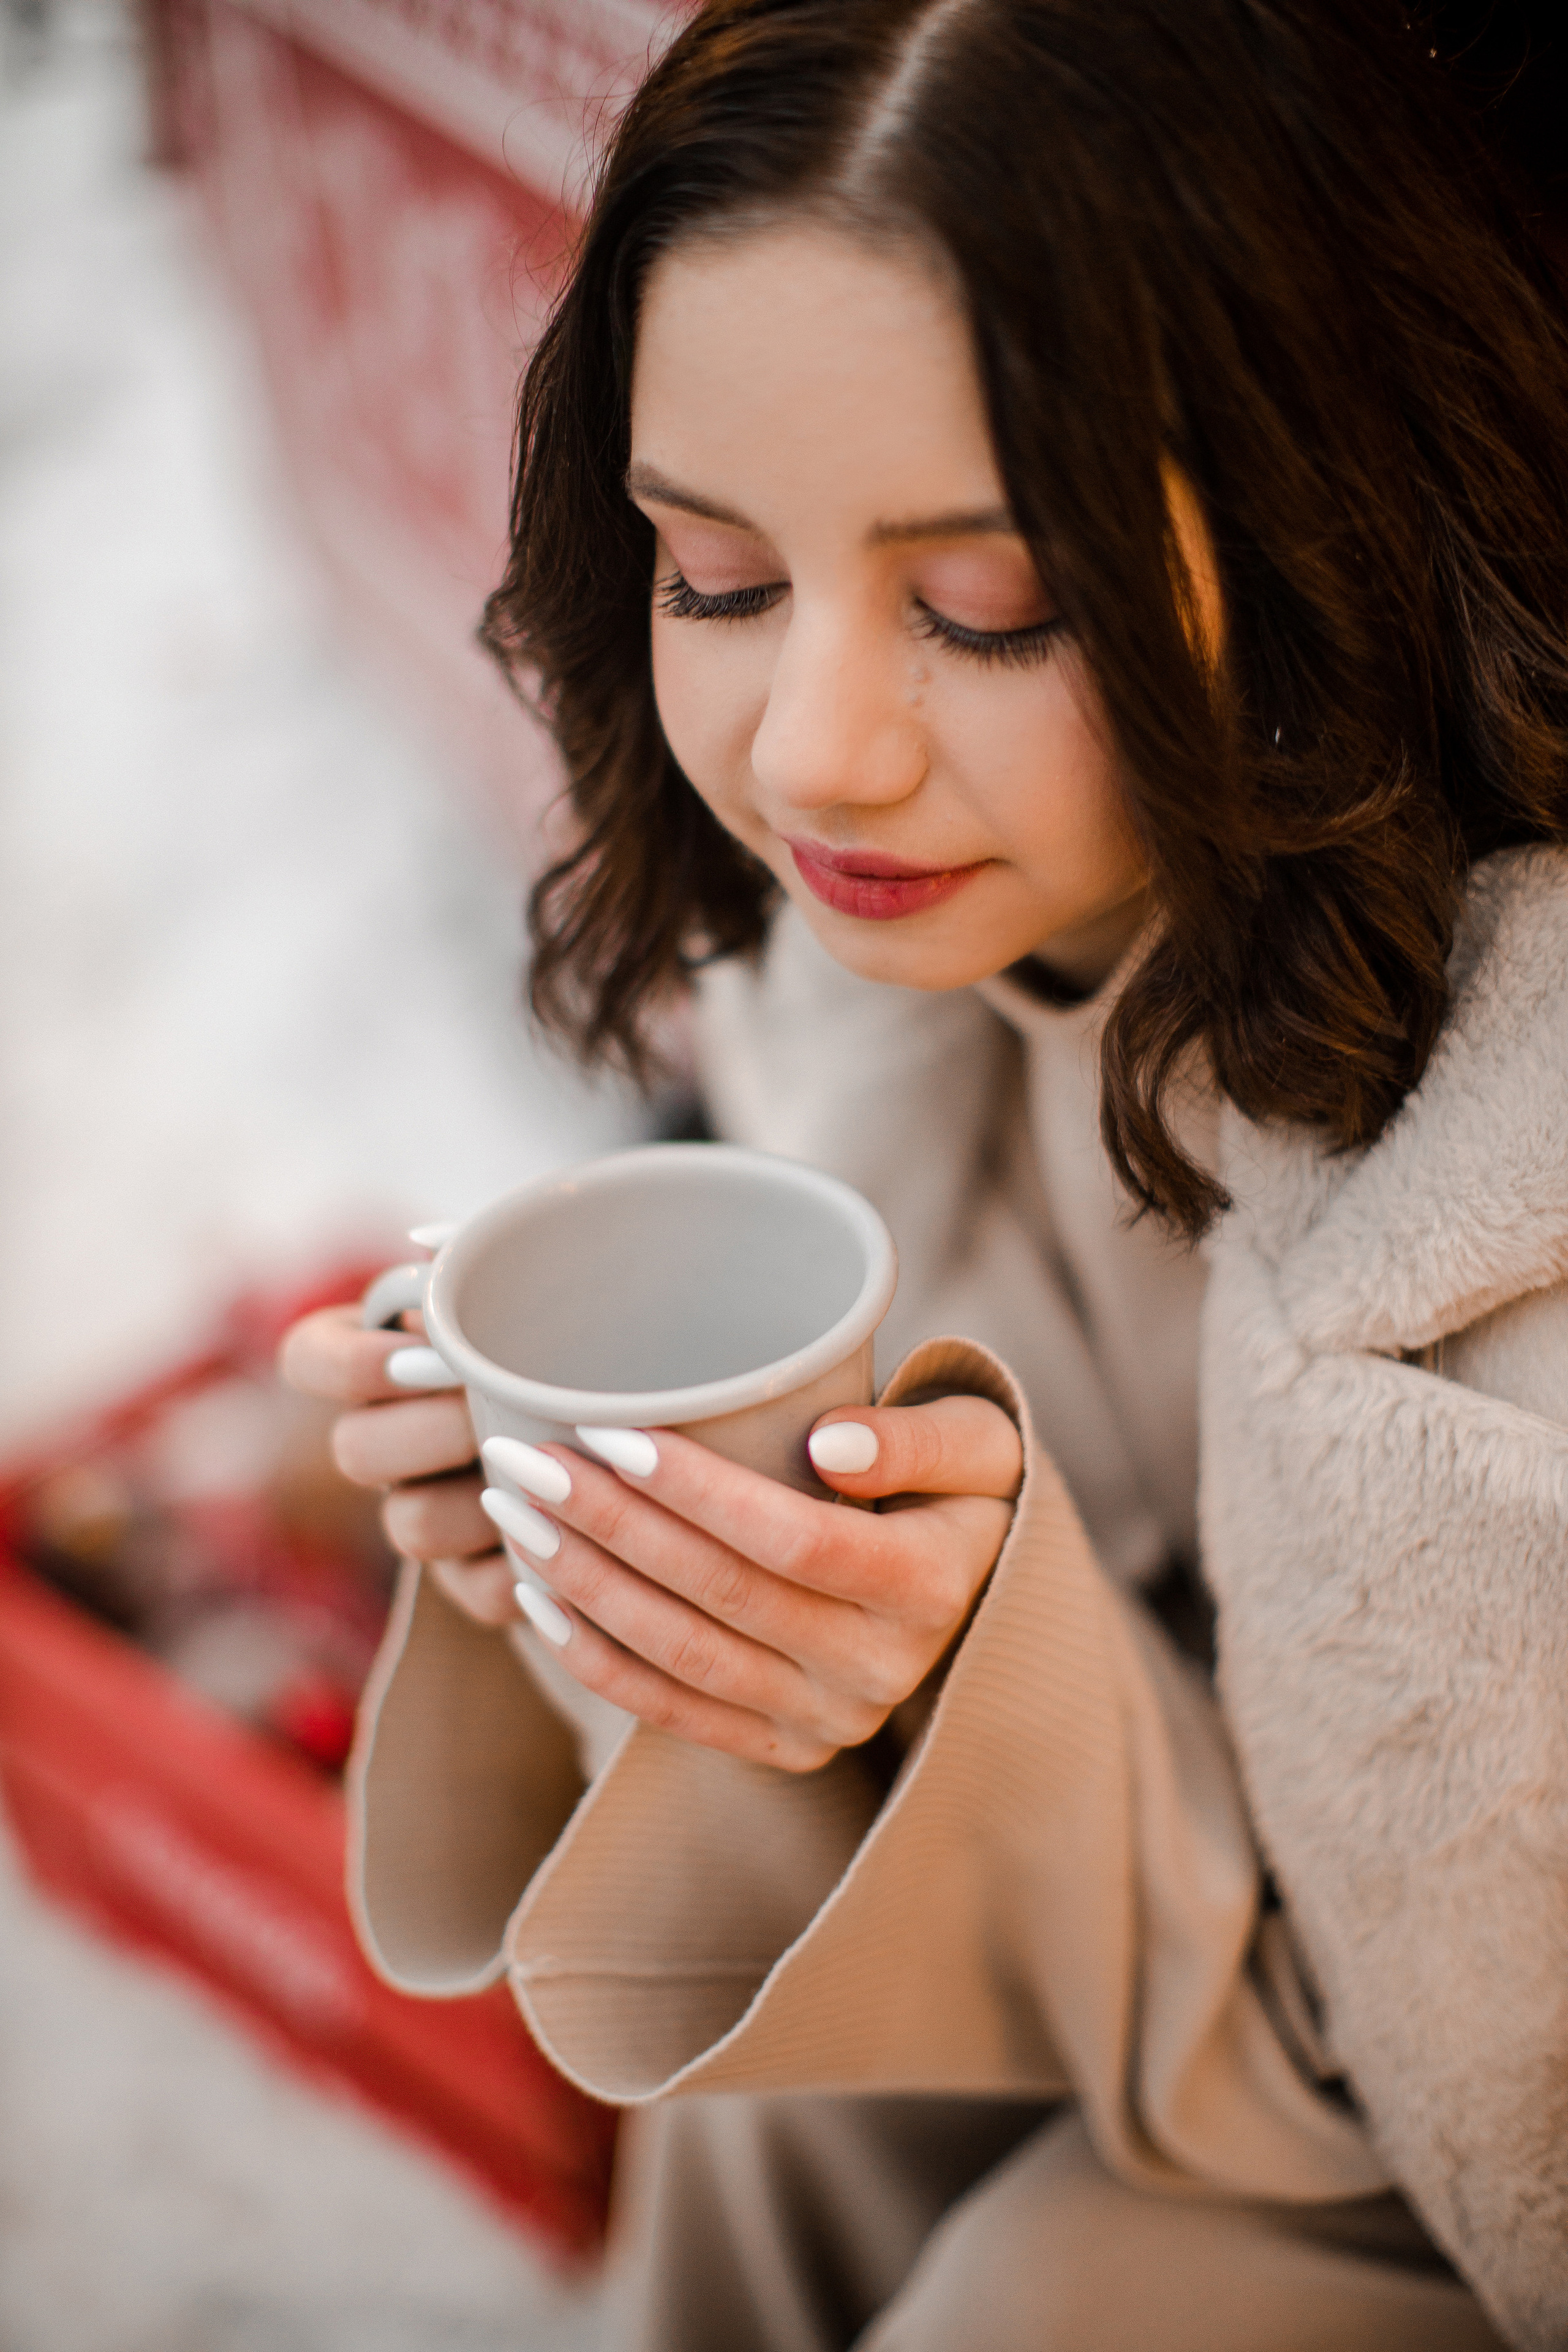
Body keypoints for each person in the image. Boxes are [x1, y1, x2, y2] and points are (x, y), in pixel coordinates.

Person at [279, 2, 1568, 2343]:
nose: (811, 756)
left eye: (990, 607)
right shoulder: (868, 987)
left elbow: (1462, 2091)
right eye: (719, 578)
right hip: (1195, 2006)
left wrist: (980, 1684)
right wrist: (614, 1587)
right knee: (760, 2117)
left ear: (1312, 533)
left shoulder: (1524, 1186)